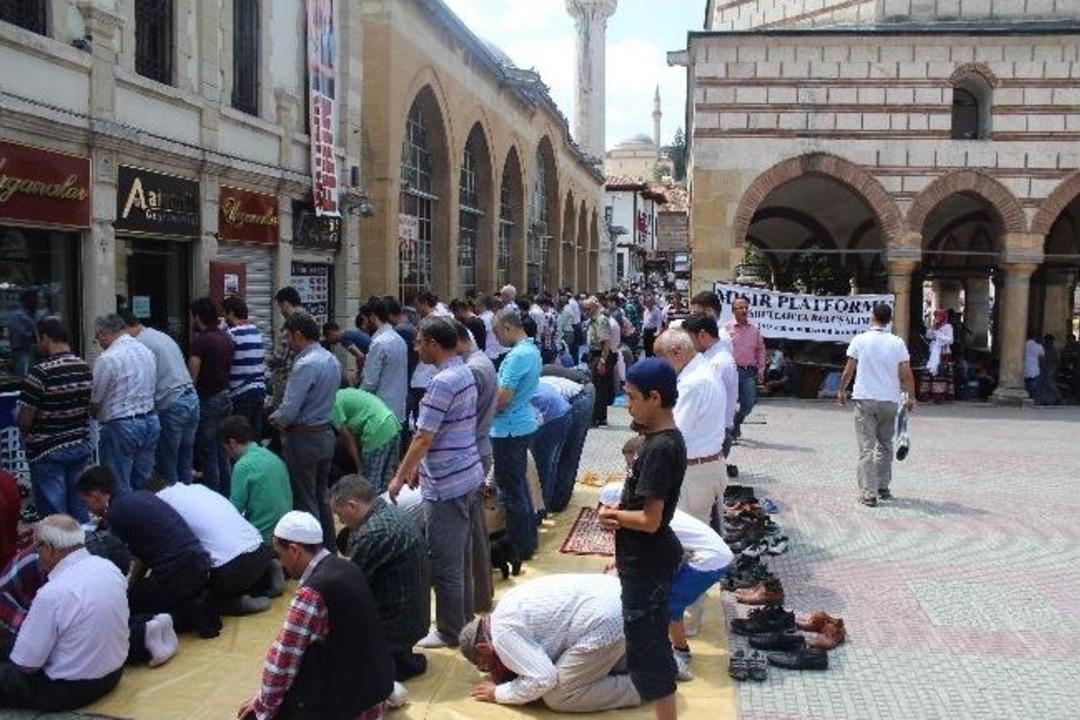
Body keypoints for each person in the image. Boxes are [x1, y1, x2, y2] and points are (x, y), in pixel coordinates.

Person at [237, 511, 394, 720]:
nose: (281, 564)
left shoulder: (313, 593)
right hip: (374, 692)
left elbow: (283, 658)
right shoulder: (348, 567)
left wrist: (262, 705)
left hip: (348, 706)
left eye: (280, 555)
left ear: (294, 550)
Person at [388, 317, 485, 650]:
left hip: (448, 483)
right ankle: (463, 621)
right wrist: (418, 467)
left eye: (419, 342)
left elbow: (423, 437)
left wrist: (400, 476)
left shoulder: (443, 382)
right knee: (461, 557)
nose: (416, 349)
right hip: (465, 473)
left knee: (445, 561)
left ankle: (449, 630)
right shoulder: (463, 372)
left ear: (432, 343)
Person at [597, 358, 685, 720]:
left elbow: (650, 520)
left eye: (632, 397)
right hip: (646, 559)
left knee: (649, 652)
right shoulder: (656, 440)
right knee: (648, 642)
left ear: (654, 397)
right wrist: (622, 508)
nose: (628, 405)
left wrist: (614, 516)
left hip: (647, 562)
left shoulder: (661, 448)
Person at [602, 449, 733, 681]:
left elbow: (647, 555)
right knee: (661, 596)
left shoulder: (645, 517)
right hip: (704, 553)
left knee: (670, 605)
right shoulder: (649, 509)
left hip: (710, 559)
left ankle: (680, 654)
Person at [458, 573, 641, 712]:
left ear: (482, 647)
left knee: (559, 696)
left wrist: (497, 693)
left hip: (606, 622)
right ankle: (649, 664)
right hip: (620, 595)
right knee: (584, 665)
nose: (489, 669)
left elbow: (544, 679)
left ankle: (642, 687)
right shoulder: (505, 606)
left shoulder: (501, 635)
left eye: (484, 664)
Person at [0, 515, 127, 711]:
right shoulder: (108, 568)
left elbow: (27, 665)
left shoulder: (52, 593)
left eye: (38, 547)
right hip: (113, 673)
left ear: (50, 549)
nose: (36, 554)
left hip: (69, 689)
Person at [77, 467, 218, 638]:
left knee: (125, 605)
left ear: (95, 496)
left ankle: (185, 615)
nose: (88, 509)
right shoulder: (142, 496)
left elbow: (121, 562)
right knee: (140, 593)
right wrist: (134, 584)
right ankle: (194, 605)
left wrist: (124, 590)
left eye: (86, 502)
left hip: (177, 576)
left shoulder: (116, 513)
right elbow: (143, 555)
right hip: (199, 564)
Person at [330, 475, 430, 682]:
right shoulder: (392, 512)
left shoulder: (372, 533)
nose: (341, 522)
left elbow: (350, 587)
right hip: (415, 619)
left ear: (352, 506)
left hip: (396, 626)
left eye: (339, 515)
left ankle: (384, 664)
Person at [269, 311, 341, 549]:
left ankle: (313, 553)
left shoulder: (305, 364)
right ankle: (328, 548)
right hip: (325, 434)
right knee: (321, 496)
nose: (288, 343)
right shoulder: (331, 359)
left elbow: (289, 411)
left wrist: (274, 418)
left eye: (288, 337)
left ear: (298, 335)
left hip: (304, 437)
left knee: (305, 499)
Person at [837, 302, 917, 507]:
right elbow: (906, 373)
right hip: (889, 400)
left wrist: (842, 390)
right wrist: (911, 396)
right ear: (890, 320)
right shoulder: (897, 342)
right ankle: (882, 486)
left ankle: (868, 492)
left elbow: (848, 370)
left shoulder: (860, 340)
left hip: (865, 399)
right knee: (885, 444)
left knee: (867, 447)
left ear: (872, 317)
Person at [17, 317, 94, 522]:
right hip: (78, 445)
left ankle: (61, 543)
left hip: (47, 451)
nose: (37, 344)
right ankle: (83, 540)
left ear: (46, 338)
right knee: (79, 505)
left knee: (54, 514)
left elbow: (25, 420)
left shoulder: (40, 373)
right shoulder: (84, 367)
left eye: (38, 339)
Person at [121, 312, 200, 488]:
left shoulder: (139, 344)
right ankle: (187, 496)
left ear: (125, 328)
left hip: (171, 402)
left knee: (167, 462)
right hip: (191, 399)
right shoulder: (160, 336)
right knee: (185, 459)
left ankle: (171, 500)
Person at [490, 308, 542, 561]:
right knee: (518, 486)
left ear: (508, 327)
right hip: (518, 425)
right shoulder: (530, 350)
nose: (496, 337)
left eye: (496, 332)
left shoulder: (518, 355)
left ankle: (519, 546)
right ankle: (527, 540)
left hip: (508, 428)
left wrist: (482, 409)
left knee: (510, 491)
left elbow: (503, 398)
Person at [90, 313, 160, 495]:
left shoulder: (107, 358)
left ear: (104, 333)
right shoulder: (146, 351)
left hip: (121, 425)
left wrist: (92, 414)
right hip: (150, 420)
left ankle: (125, 513)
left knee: (118, 485)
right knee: (144, 484)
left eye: (97, 338)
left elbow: (96, 400)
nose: (98, 343)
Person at [456, 320, 496, 613]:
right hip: (478, 449)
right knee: (475, 528)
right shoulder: (481, 362)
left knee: (468, 531)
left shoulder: (472, 369)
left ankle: (472, 599)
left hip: (470, 453)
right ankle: (480, 595)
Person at [221, 415, 292, 544]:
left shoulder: (243, 466)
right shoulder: (273, 457)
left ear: (232, 443)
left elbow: (235, 510)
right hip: (285, 531)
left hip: (262, 537)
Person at [188, 298, 234, 494]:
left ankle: (213, 493)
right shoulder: (226, 338)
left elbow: (193, 375)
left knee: (208, 451)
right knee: (223, 449)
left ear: (198, 317)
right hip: (225, 395)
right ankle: (227, 492)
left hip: (208, 399)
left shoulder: (201, 341)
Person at [682, 313, 739, 458]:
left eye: (689, 338)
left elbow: (707, 400)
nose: (687, 344)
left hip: (713, 432)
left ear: (702, 335)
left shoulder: (717, 363)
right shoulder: (712, 357)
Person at [539, 367, 594, 512]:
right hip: (569, 392)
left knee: (567, 451)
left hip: (579, 394)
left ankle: (557, 502)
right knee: (557, 455)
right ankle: (553, 500)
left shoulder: (519, 392)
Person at [331, 387, 401, 493]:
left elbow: (348, 438)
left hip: (377, 430)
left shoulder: (333, 404)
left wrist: (359, 466)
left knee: (369, 485)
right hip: (392, 424)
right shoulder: (343, 394)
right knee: (385, 482)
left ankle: (372, 504)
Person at [358, 296, 409, 431]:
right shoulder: (398, 339)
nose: (363, 325)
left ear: (373, 317)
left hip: (380, 413)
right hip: (397, 410)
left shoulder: (379, 343)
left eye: (364, 319)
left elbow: (370, 382)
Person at [222, 296, 268, 440]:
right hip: (260, 389)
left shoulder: (232, 334)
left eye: (224, 314)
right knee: (255, 435)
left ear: (231, 313)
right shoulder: (256, 331)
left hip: (241, 392)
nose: (224, 318)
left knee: (240, 437)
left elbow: (225, 362)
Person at [725, 297, 766, 439]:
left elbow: (761, 350)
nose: (744, 310)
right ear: (733, 310)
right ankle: (728, 431)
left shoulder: (754, 330)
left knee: (749, 403)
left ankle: (737, 421)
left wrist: (761, 369)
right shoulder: (726, 329)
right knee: (728, 403)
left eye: (746, 308)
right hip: (731, 371)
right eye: (740, 308)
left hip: (748, 371)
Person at [529, 381, 572, 514]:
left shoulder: (505, 391)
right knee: (550, 463)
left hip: (554, 415)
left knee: (543, 465)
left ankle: (540, 511)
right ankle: (546, 506)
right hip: (562, 410)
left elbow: (535, 420)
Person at [267, 287, 303, 412]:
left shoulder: (291, 323)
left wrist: (268, 360)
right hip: (304, 377)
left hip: (287, 379)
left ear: (286, 303)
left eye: (280, 306)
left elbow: (280, 357)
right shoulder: (310, 319)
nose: (281, 311)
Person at [584, 297, 614, 426]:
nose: (586, 312)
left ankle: (596, 417)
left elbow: (605, 342)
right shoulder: (591, 321)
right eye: (585, 309)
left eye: (588, 309)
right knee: (599, 386)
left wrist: (602, 360)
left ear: (595, 308)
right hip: (593, 354)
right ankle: (600, 416)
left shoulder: (601, 320)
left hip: (600, 354)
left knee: (597, 386)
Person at [322, 322, 358, 388]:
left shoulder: (344, 338)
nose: (329, 342)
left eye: (327, 338)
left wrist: (358, 375)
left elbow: (360, 355)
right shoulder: (348, 334)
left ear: (331, 333)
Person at [641, 292, 664, 357]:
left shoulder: (657, 310)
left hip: (653, 332)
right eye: (646, 302)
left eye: (649, 301)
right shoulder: (645, 310)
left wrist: (658, 332)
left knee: (654, 351)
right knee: (647, 351)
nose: (647, 303)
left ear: (652, 302)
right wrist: (642, 331)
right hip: (646, 332)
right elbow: (645, 321)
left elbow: (659, 322)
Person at [1024, 332, 1045, 400]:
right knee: (1035, 390)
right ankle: (1034, 401)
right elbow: (1042, 357)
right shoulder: (1038, 346)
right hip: (1035, 370)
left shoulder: (1023, 345)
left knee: (1026, 389)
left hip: (1024, 370)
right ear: (1035, 337)